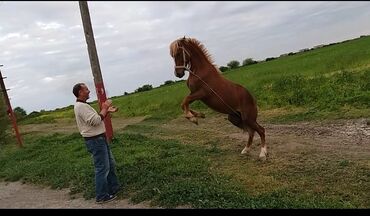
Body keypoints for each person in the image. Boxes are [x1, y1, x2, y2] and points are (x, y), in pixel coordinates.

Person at [72, 83, 121, 204]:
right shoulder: (81, 107)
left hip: (99, 139)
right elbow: (95, 121)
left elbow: (96, 119)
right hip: (95, 141)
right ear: (80, 92)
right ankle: (102, 196)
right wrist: (104, 107)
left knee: (110, 164)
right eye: (86, 89)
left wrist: (107, 111)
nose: (89, 91)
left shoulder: (83, 105)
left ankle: (113, 188)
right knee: (102, 168)